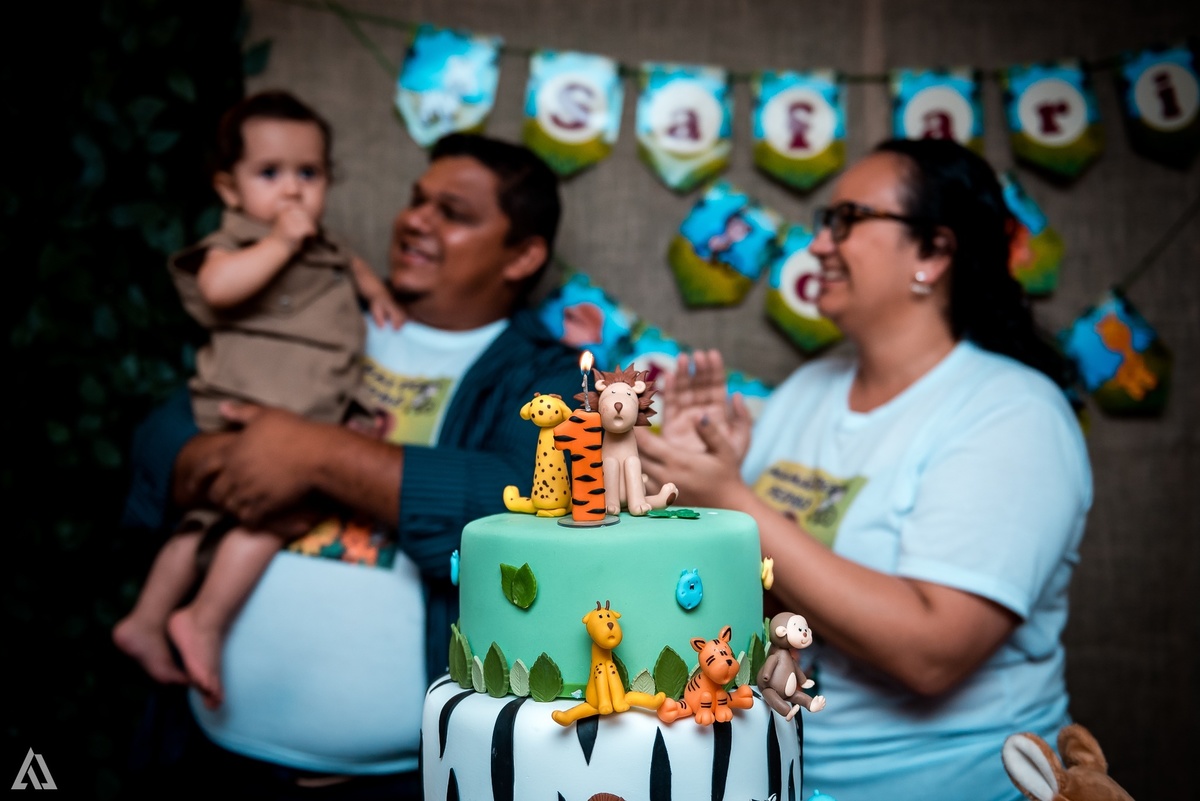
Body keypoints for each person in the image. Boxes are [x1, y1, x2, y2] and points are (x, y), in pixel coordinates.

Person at [120, 131, 583, 796]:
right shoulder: (320, 311)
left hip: (393, 781)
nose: (415, 219)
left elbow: (523, 514)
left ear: (523, 255)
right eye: (417, 200)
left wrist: (319, 455)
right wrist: (228, 454)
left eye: (452, 213)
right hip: (203, 750)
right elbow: (163, 440)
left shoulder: (546, 376)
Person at [636, 138, 1092, 801]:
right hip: (783, 778)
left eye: (847, 220)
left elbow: (932, 651)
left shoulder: (1014, 413)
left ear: (933, 252)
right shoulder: (806, 391)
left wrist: (735, 499)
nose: (818, 245)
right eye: (826, 222)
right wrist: (690, 496)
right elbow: (758, 600)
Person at [113, 89, 403, 711]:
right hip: (251, 403)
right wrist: (276, 244)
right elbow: (218, 289)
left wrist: (373, 287)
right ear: (228, 189)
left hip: (299, 410)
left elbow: (344, 259)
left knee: (205, 523)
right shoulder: (239, 242)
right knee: (280, 515)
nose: (293, 191)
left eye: (310, 173)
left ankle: (146, 618)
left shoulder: (319, 242)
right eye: (270, 174)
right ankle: (205, 620)